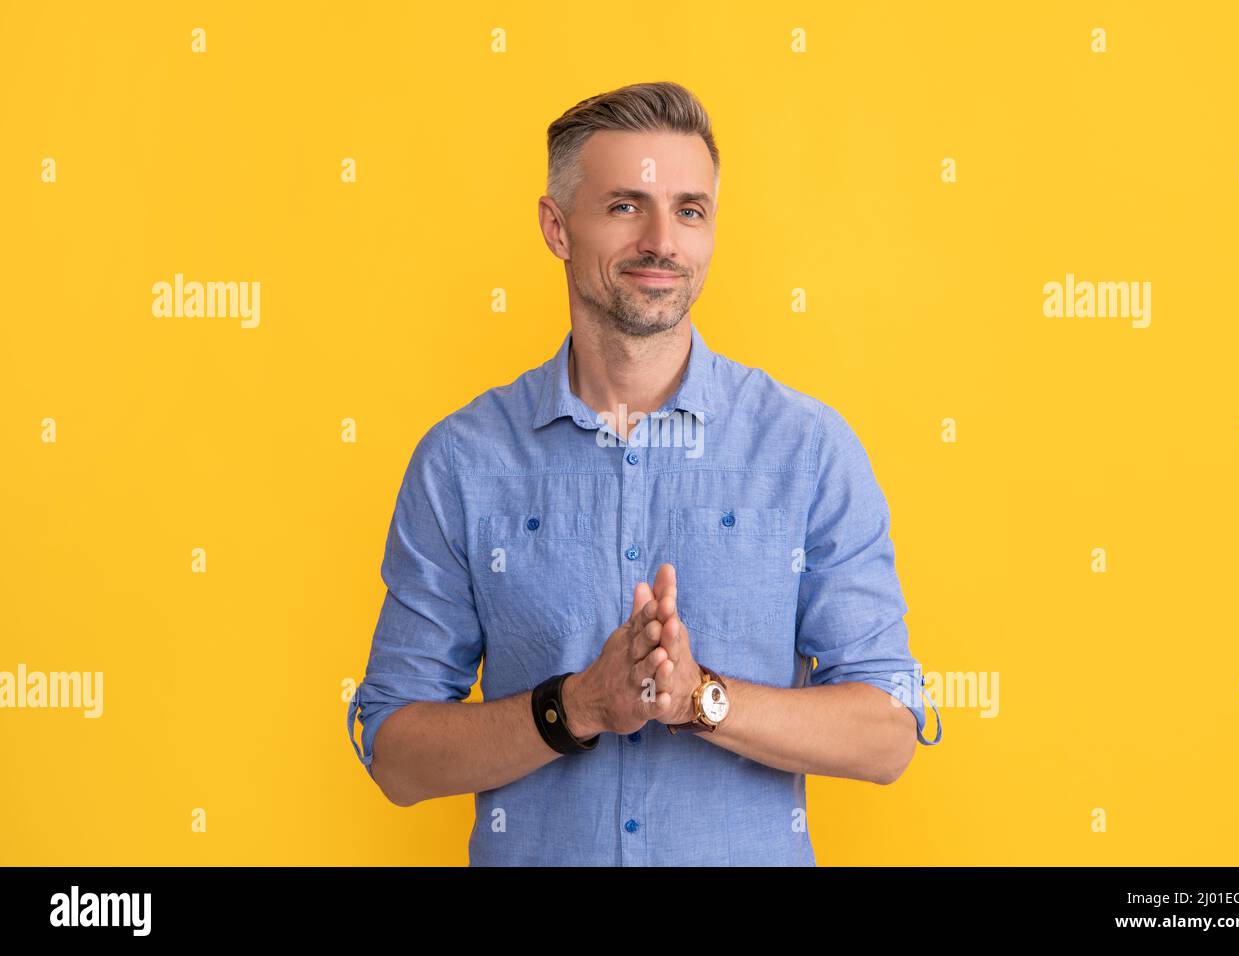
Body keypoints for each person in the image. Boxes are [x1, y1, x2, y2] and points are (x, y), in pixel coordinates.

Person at [346, 80, 941, 866]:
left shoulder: (808, 452)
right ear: (556, 228)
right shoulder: (462, 462)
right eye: (627, 206)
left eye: (689, 210)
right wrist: (578, 706)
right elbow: (395, 751)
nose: (663, 240)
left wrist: (701, 699)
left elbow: (888, 733)